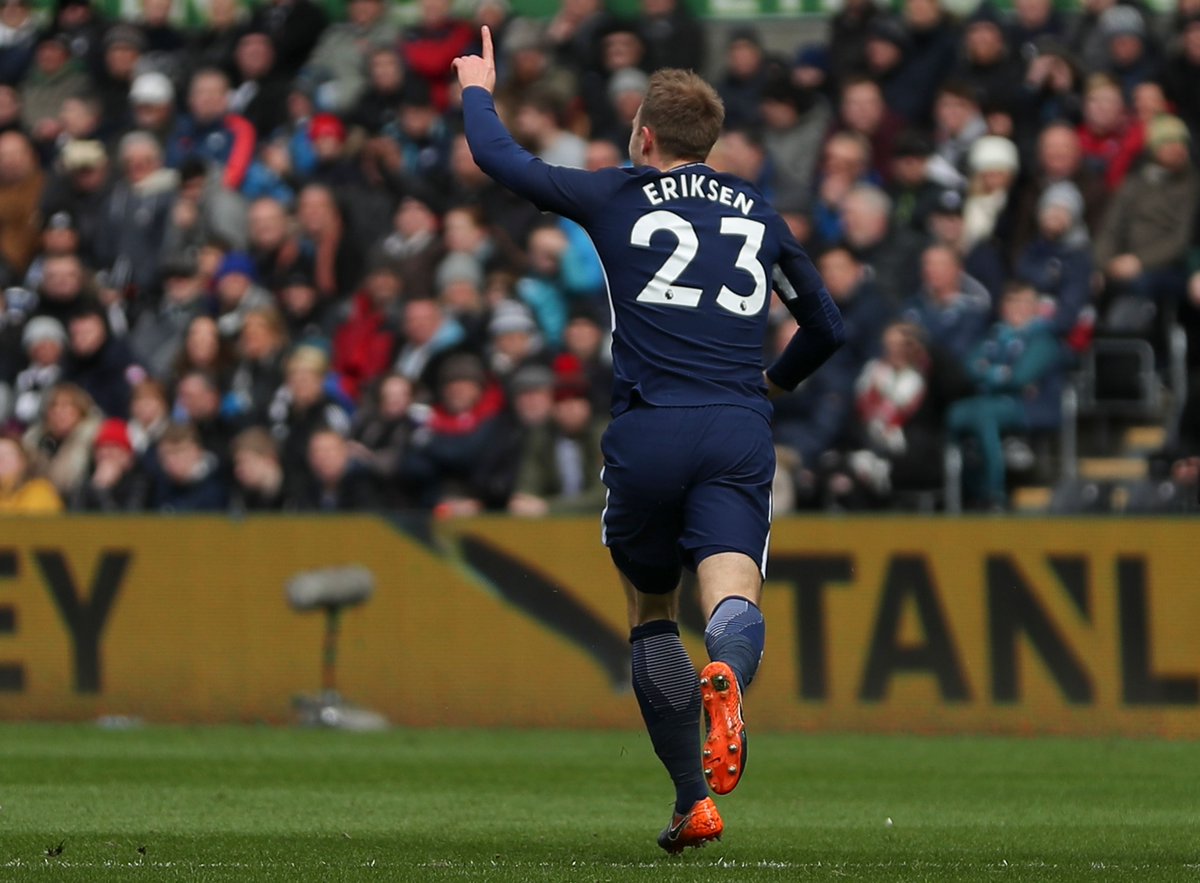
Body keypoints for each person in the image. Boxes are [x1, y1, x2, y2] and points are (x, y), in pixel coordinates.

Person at [454, 29, 844, 851]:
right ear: (713, 141)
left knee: (652, 613)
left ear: (646, 136)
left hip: (649, 429)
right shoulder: (761, 215)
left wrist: (477, 88)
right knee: (733, 596)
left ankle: (691, 798)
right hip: (737, 428)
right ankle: (730, 676)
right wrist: (773, 383)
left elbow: (501, 161)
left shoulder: (617, 196)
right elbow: (827, 327)